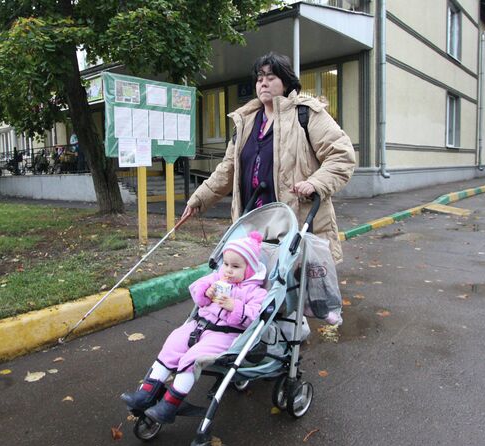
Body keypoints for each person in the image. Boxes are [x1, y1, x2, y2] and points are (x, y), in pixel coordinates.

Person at [180, 52, 355, 263]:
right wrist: (199, 199)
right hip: (252, 226)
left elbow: (341, 155)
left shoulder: (306, 114)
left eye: (271, 77)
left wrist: (315, 183)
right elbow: (227, 169)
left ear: (286, 82)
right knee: (254, 289)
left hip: (294, 224)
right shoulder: (246, 122)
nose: (264, 83)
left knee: (293, 290)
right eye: (260, 78)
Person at [121, 232, 268, 424]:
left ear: (249, 270)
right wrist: (206, 292)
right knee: (173, 344)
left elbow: (256, 317)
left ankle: (169, 405)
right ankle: (145, 393)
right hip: (199, 325)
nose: (228, 270)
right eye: (226, 264)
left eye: (236, 266)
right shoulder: (216, 278)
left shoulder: (255, 291)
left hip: (226, 335)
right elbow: (198, 294)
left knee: (193, 358)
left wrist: (235, 306)